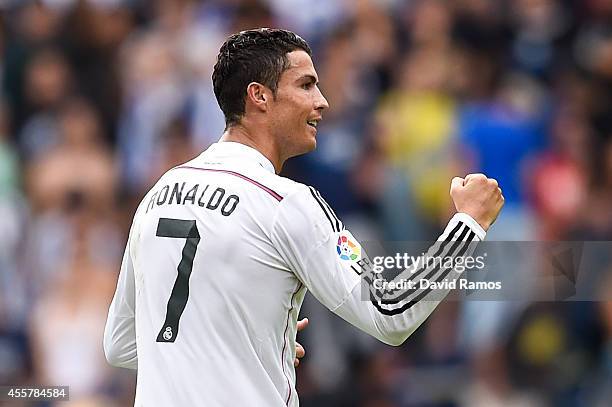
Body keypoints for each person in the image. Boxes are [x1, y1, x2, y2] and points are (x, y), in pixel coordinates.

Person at [103, 28, 504, 406]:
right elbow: (389, 313)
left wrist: (245, 340)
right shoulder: (283, 202)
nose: (322, 101)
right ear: (259, 96)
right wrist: (468, 224)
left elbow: (120, 343)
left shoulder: (159, 193)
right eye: (306, 85)